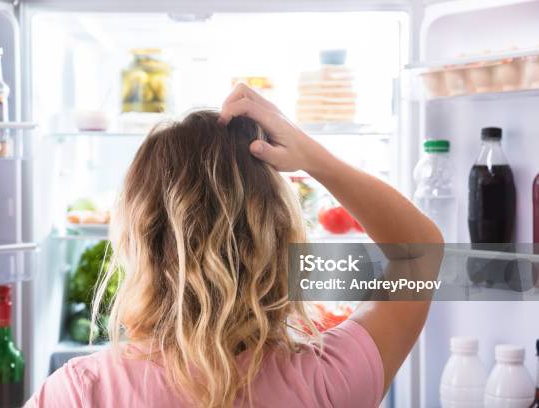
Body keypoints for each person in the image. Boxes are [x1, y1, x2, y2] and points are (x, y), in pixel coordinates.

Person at [26, 84, 443, 408]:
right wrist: (311, 156)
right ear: (277, 233)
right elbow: (421, 251)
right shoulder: (329, 378)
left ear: (138, 238)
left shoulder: (81, 391)